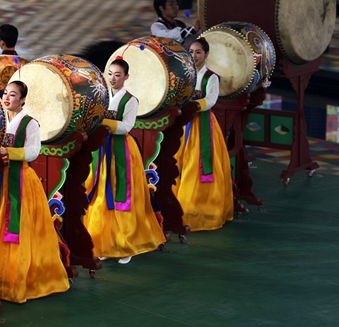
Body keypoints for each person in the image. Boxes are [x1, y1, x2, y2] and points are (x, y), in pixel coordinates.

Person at [0, 81, 70, 303]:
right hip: (2, 179)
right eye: (5, 93)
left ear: (22, 100)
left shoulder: (29, 123)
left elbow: (33, 152)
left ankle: (22, 278)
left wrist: (7, 151)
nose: (7, 98)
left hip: (21, 180)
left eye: (13, 95)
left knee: (21, 226)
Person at [84, 58, 166, 264]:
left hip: (122, 151)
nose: (112, 78)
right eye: (110, 74)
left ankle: (126, 244)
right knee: (101, 193)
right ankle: (103, 242)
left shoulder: (130, 100)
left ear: (126, 77)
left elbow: (126, 127)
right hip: (101, 150)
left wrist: (103, 122)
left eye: (117, 75)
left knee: (122, 196)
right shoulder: (100, 98)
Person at [173, 38, 233, 231]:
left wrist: (193, 105)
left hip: (202, 126)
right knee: (177, 163)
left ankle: (202, 212)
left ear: (206, 54)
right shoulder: (184, 75)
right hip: (183, 125)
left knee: (198, 166)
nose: (194, 55)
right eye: (191, 51)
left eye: (198, 52)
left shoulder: (211, 77)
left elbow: (211, 100)